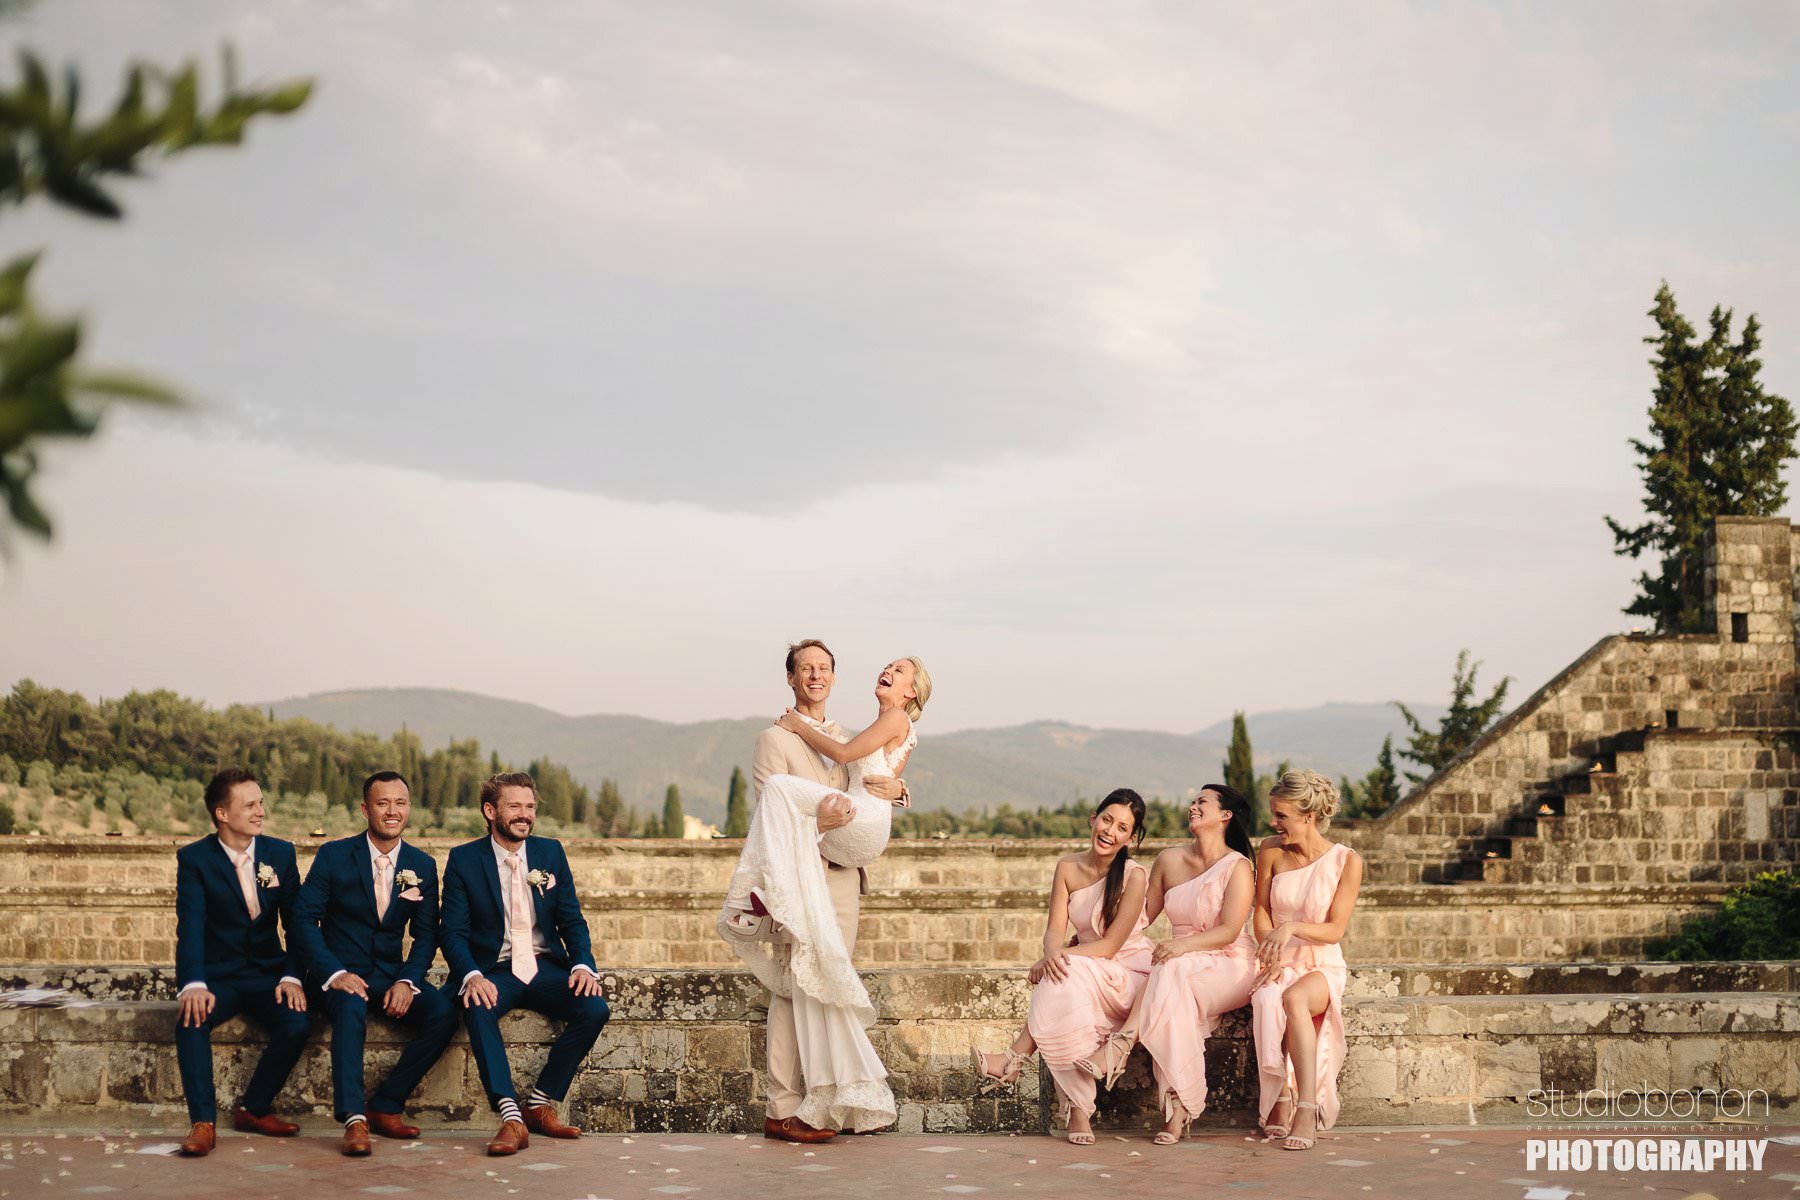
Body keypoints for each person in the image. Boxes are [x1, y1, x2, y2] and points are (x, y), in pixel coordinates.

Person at [718, 652, 930, 1140]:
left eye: (824, 668)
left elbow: (867, 771)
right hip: (803, 873)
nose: (816, 675)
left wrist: (899, 790)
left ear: (833, 678)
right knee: (792, 988)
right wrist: (818, 823)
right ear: (791, 677)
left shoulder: (847, 734)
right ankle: (782, 1107)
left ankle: (832, 1103)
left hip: (846, 877)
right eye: (806, 668)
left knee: (831, 985)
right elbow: (769, 815)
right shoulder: (774, 739)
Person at [1074, 785, 1258, 1144]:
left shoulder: (1237, 866)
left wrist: (1181, 946)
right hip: (1181, 965)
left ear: (1225, 815)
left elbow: (1229, 930)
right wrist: (1088, 936)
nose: (1193, 806)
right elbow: (1139, 917)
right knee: (1172, 992)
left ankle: (1123, 1043)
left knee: (1169, 970)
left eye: (1202, 802)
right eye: (1193, 801)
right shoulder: (1169, 861)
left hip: (1231, 964)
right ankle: (1178, 1108)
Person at [440, 772, 609, 1157]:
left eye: (530, 807)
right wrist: (471, 975)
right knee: (476, 1004)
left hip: (543, 966)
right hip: (494, 969)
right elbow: (452, 932)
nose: (524, 814)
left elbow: (572, 920)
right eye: (514, 806)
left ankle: (539, 1103)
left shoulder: (550, 853)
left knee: (594, 1008)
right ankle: (511, 1117)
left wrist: (583, 965)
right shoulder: (465, 859)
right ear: (490, 811)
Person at [291, 770, 457, 1156]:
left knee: (444, 1013)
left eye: (400, 803)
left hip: (389, 975)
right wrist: (334, 973)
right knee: (351, 1006)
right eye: (383, 803)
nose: (392, 811)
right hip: (337, 974)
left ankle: (386, 1104)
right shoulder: (334, 855)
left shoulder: (422, 865)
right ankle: (354, 1120)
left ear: (409, 808)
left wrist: (408, 981)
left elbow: (426, 935)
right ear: (366, 809)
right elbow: (302, 920)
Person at [972, 789, 1151, 1145]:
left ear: (1131, 838)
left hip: (1128, 973)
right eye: (1107, 820)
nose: (1110, 831)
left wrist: (1056, 959)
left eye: (1122, 828)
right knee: (1063, 982)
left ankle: (1015, 1058)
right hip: (1085, 968)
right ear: (1093, 819)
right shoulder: (1067, 867)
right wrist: (1052, 952)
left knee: (1062, 973)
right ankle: (1079, 1111)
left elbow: (1111, 946)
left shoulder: (1134, 876)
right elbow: (1055, 930)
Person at [172, 767, 309, 1157]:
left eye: (260, 803)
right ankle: (203, 1123)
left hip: (268, 973)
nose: (260, 811)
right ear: (222, 814)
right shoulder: (195, 859)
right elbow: (190, 925)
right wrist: (193, 984)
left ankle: (254, 1109)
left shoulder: (280, 853)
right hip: (219, 975)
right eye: (249, 805)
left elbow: (297, 924)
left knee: (298, 1023)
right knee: (190, 1021)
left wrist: (292, 975)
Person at [1250, 769, 1364, 1152]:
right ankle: (1280, 1094)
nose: (1273, 822)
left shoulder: (1347, 861)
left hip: (1320, 965)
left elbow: (1334, 930)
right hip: (1278, 961)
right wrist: (1270, 951)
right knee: (1266, 998)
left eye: (1281, 815)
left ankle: (1306, 1106)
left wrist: (1293, 928)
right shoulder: (1270, 850)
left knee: (1294, 998)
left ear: (1308, 816)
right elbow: (1261, 911)